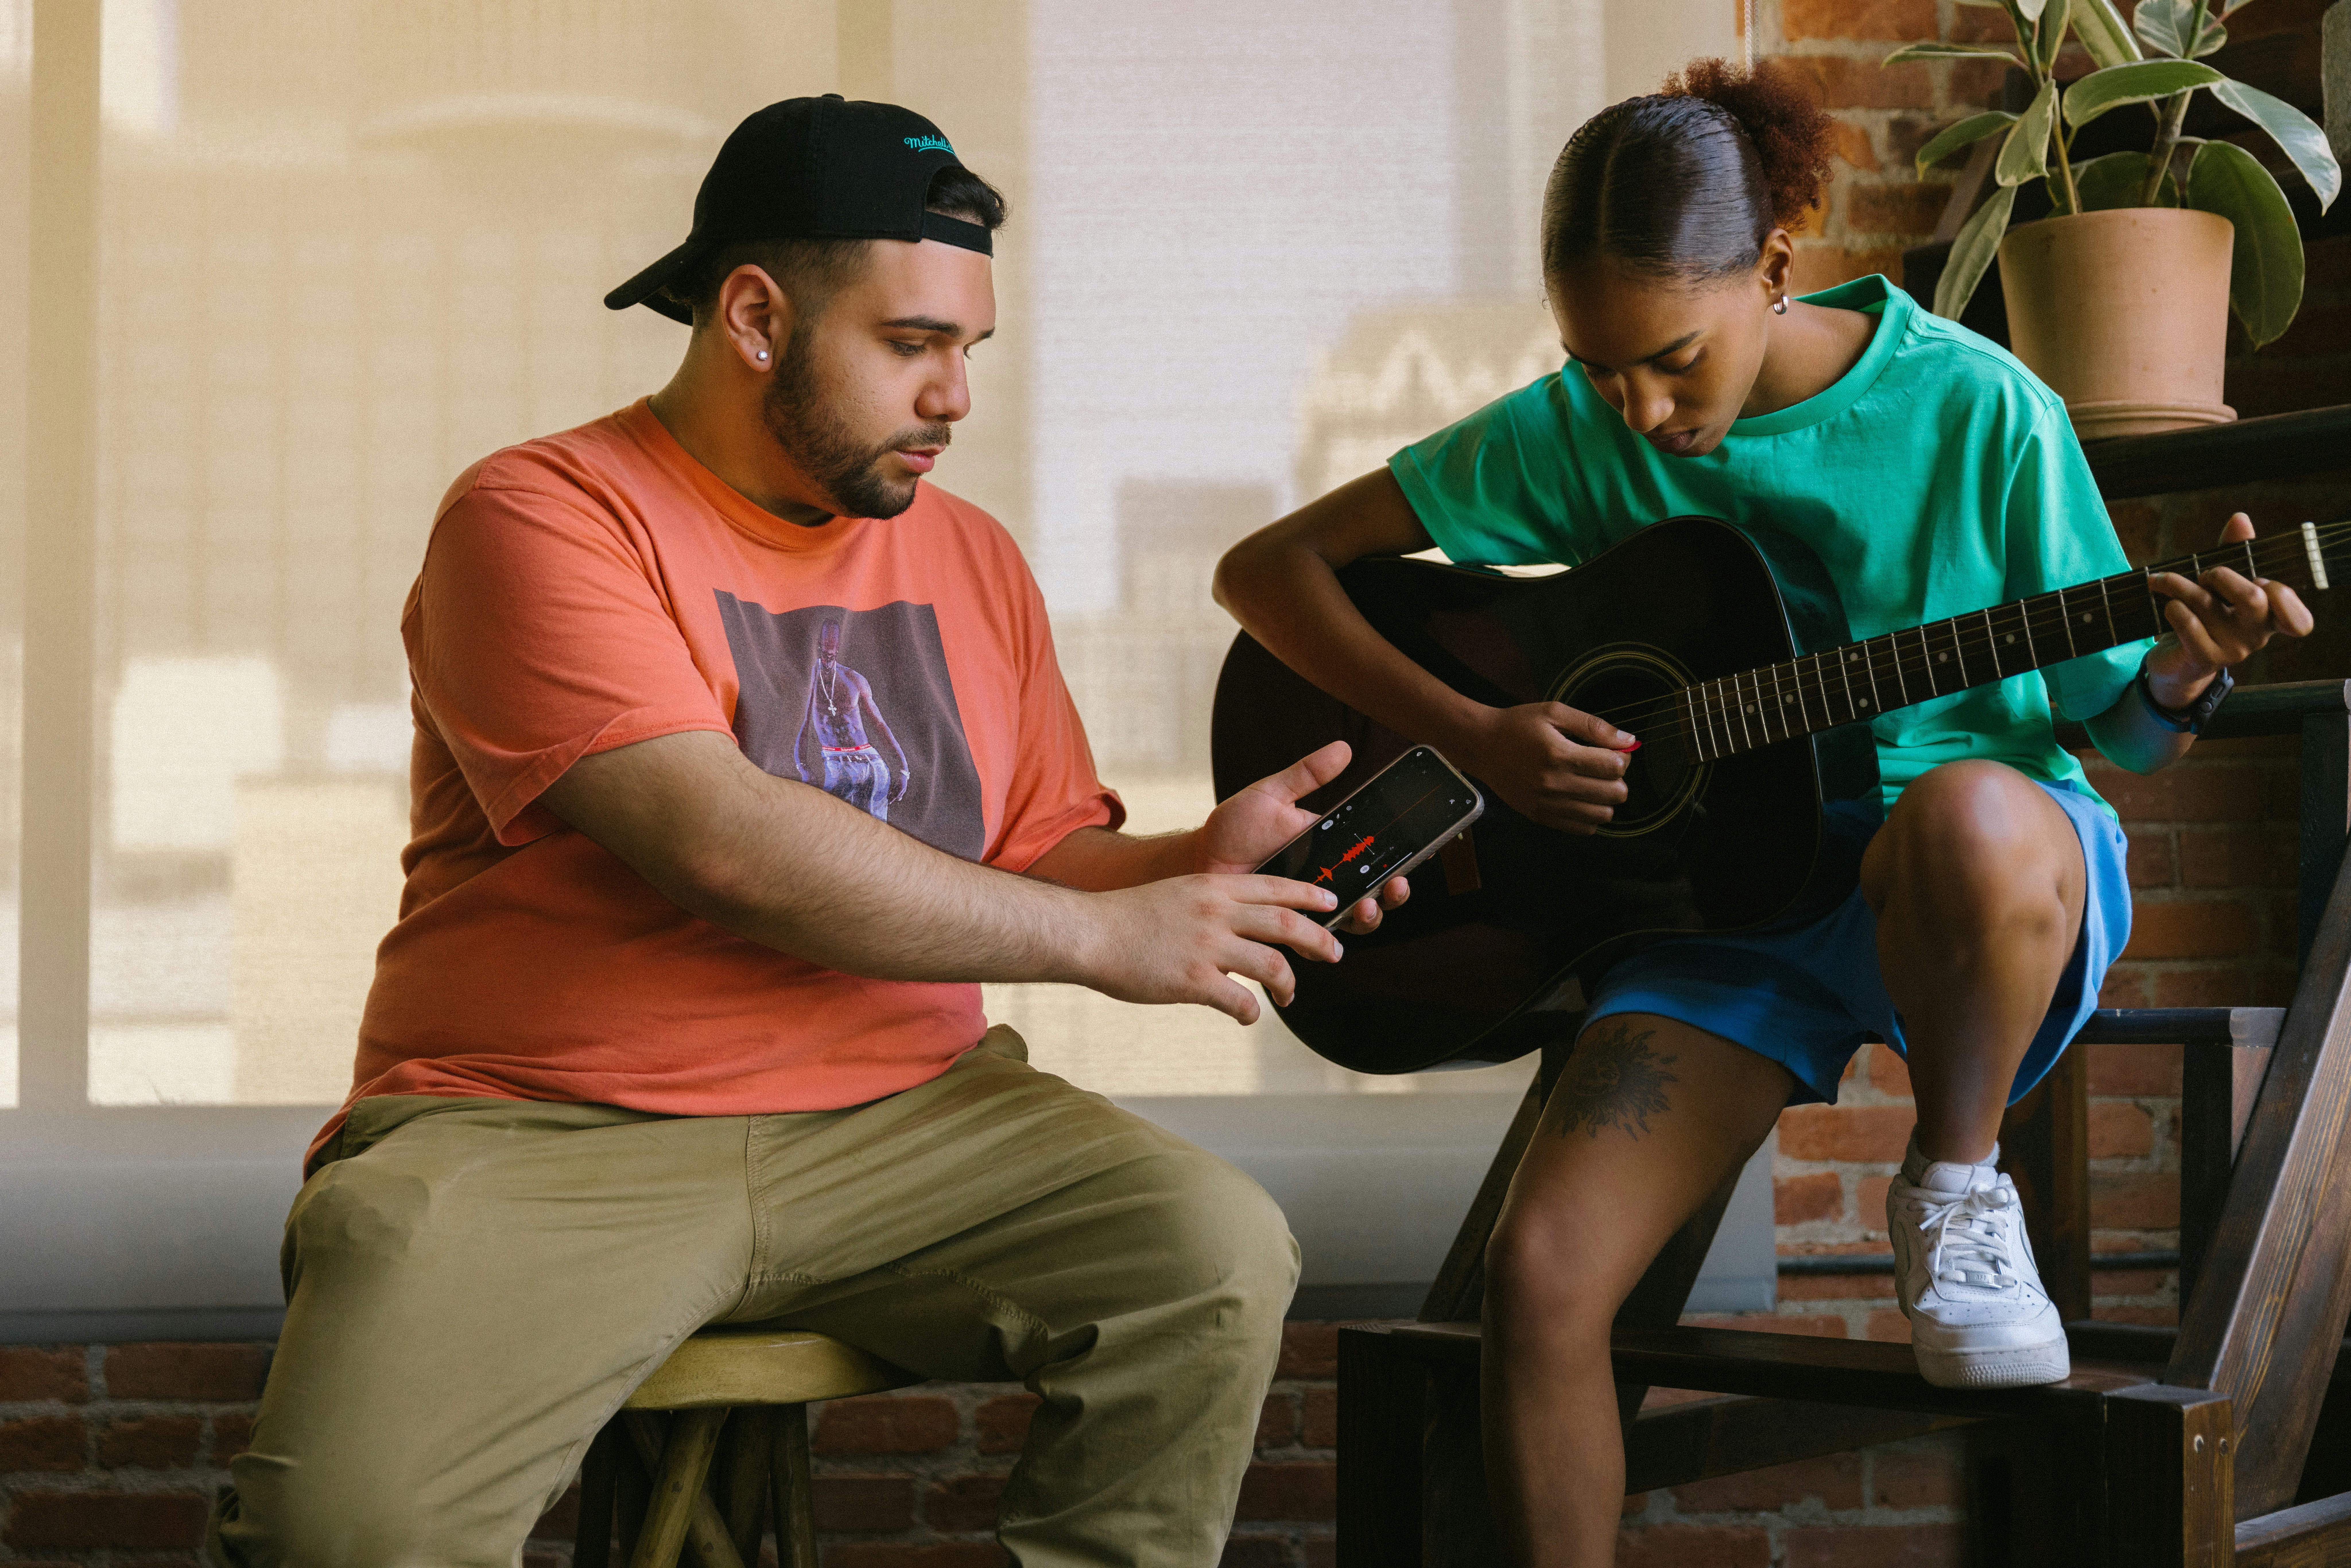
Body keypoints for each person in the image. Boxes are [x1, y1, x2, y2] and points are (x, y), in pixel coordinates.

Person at [206, 95, 1403, 1568]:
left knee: (1209, 1254)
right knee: (345, 1532)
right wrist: (1105, 936)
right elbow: (714, 837)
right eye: (911, 345)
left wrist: (1188, 868)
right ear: (756, 318)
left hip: (910, 1117)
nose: (955, 397)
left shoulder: (970, 554)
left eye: (969, 349)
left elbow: (1032, 856)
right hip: (548, 1126)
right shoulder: (540, 516)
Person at [1213, 59, 2311, 1568]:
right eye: (1599, 369)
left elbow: (2114, 727)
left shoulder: (1980, 409)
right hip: (1728, 912)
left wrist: (2185, 672)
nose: (1640, 409)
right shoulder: (1583, 426)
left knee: (1964, 816)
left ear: (1776, 269)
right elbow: (1266, 576)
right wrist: (1479, 733)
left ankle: (1957, 1178)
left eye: (1670, 358)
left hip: (1979, 892)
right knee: (1541, 1276)